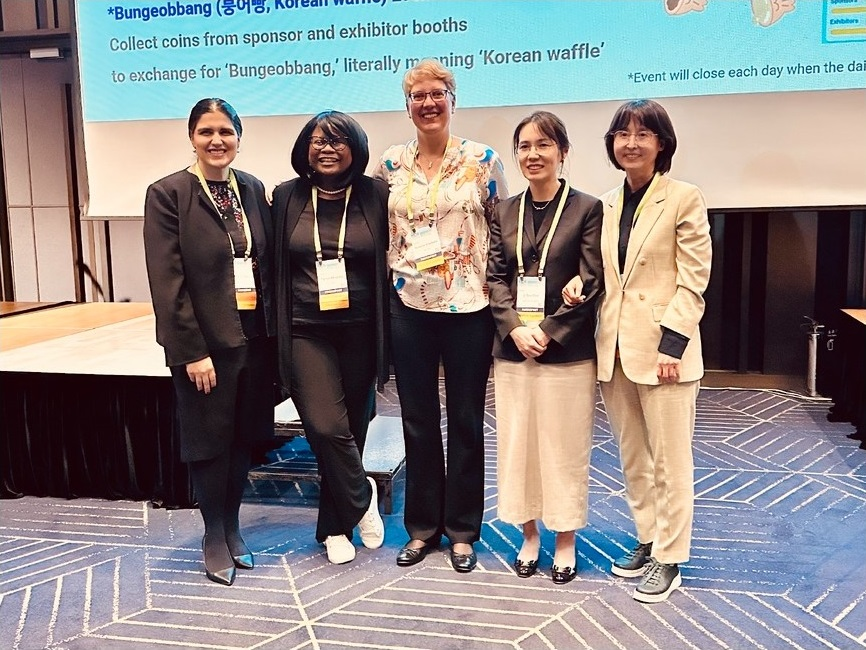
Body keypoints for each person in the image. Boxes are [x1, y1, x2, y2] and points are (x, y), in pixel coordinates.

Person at [566, 98, 712, 602]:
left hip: (664, 351)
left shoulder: (683, 197)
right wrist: (578, 287)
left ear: (661, 143)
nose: (630, 143)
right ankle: (648, 538)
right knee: (634, 458)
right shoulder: (604, 203)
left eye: (642, 134)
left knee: (671, 460)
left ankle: (671, 558)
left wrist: (673, 344)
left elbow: (693, 281)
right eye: (621, 134)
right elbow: (606, 275)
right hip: (615, 349)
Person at [373, 59, 508, 573]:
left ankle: (463, 532)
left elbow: (503, 234)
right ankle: (423, 528)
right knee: (419, 420)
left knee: (467, 420)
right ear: (406, 106)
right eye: (418, 96)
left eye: (438, 93)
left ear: (453, 99)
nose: (428, 103)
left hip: (470, 305)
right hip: (409, 305)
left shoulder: (483, 160)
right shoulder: (388, 165)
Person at [144, 98, 276, 586]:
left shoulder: (252, 188)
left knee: (242, 438)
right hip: (205, 348)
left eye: (226, 131)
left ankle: (235, 525)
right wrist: (191, 351)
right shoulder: (168, 194)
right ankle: (213, 534)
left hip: (254, 341)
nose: (217, 140)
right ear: (192, 138)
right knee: (209, 443)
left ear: (239, 137)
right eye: (206, 132)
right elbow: (168, 282)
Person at [487, 111, 603, 585]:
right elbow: (494, 277)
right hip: (513, 349)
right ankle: (528, 533)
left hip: (565, 351)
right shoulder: (503, 211)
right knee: (517, 445)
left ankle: (565, 538)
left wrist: (551, 330)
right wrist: (514, 327)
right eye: (524, 146)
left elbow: (592, 278)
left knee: (564, 446)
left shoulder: (587, 208)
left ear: (563, 152)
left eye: (543, 145)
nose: (532, 155)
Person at [271, 111, 389, 565]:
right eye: (318, 140)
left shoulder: (375, 194)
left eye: (338, 141)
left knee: (350, 433)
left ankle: (334, 527)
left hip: (361, 331)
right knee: (325, 426)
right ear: (304, 148)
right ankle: (362, 496)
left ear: (355, 148)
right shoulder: (286, 196)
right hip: (305, 331)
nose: (327, 148)